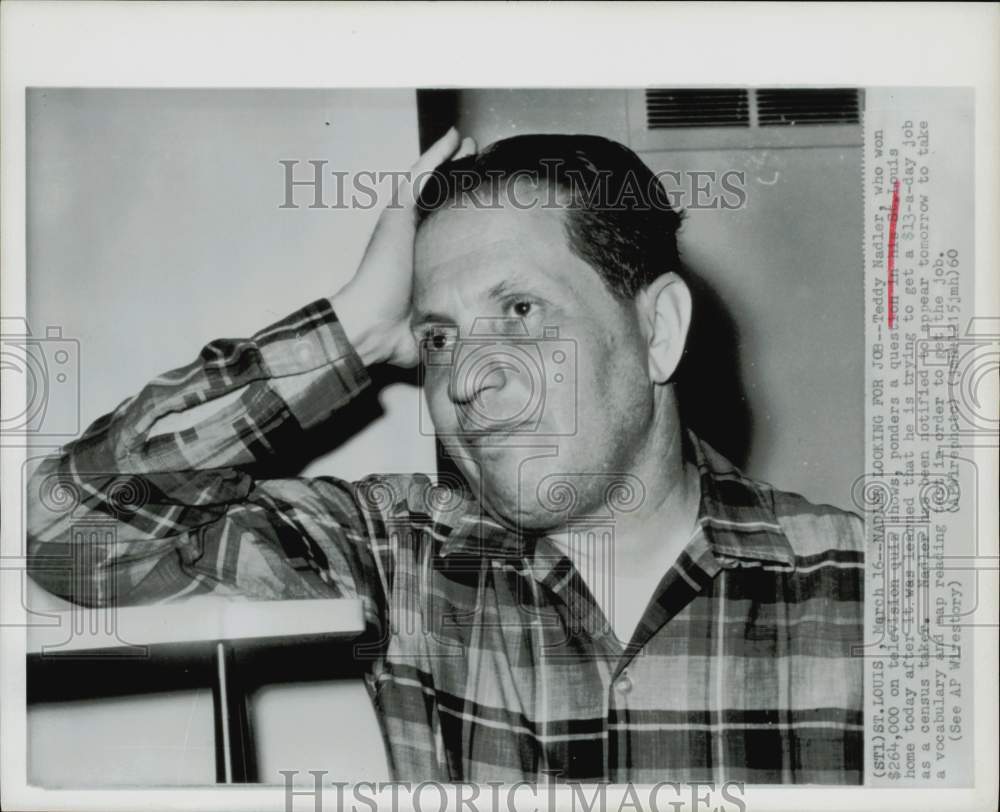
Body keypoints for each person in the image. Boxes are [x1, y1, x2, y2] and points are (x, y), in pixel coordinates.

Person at [27, 128, 864, 784]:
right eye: (438, 337)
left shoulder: (869, 586)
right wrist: (354, 327)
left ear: (657, 331)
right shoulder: (405, 560)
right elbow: (76, 525)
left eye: (523, 310)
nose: (464, 378)